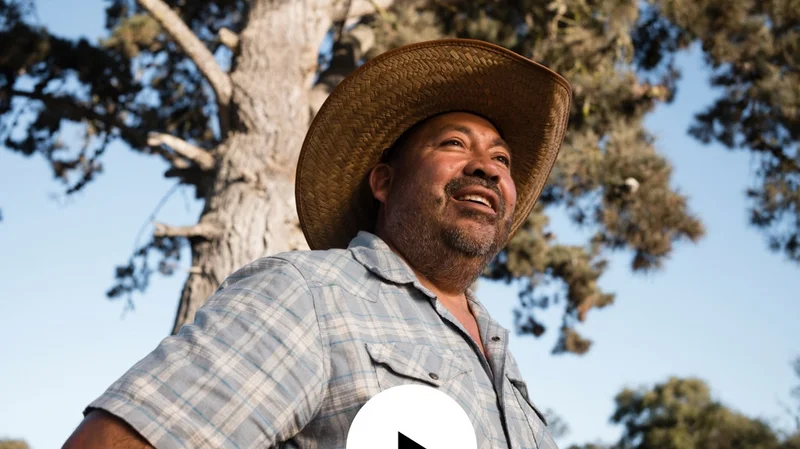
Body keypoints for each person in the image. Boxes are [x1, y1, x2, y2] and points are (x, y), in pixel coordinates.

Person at [63, 38, 572, 449]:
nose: (486, 166)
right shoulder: (312, 292)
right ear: (384, 183)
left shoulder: (506, 372)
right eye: (454, 144)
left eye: (502, 160)